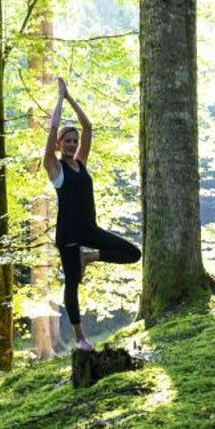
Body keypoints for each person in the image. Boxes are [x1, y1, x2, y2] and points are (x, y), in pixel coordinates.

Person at [42, 79, 141, 351]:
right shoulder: (54, 167)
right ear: (59, 145)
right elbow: (52, 129)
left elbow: (88, 127)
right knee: (72, 285)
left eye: (74, 141)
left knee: (133, 253)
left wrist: (71, 96)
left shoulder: (81, 163)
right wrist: (59, 100)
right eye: (68, 141)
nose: (73, 144)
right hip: (69, 236)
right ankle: (80, 337)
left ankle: (91, 256)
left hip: (90, 230)